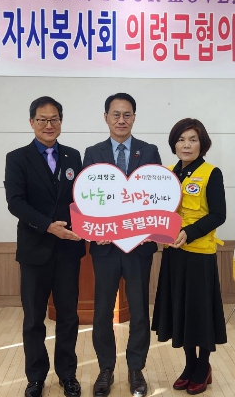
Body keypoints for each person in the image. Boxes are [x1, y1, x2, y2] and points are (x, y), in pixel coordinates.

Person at [4, 96, 86, 397]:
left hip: (68, 251)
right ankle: (36, 377)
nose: (48, 125)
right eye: (42, 119)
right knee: (33, 319)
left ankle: (67, 374)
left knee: (68, 317)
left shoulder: (73, 156)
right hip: (34, 250)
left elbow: (83, 198)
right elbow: (15, 202)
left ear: (61, 122)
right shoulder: (17, 158)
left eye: (54, 119)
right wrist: (48, 225)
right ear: (32, 122)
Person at [83, 93, 162, 397]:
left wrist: (149, 228)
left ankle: (136, 370)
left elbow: (156, 197)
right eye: (115, 114)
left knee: (139, 311)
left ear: (134, 118)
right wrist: (97, 229)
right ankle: (105, 369)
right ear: (106, 117)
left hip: (138, 247)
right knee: (103, 311)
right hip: (105, 248)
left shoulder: (149, 151)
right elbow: (86, 197)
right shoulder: (93, 153)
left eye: (127, 114)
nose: (121, 120)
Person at [151, 118, 228, 395]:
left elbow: (219, 214)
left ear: (202, 144)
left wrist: (189, 232)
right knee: (180, 310)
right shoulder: (167, 174)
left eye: (193, 139)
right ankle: (189, 364)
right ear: (174, 144)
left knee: (199, 312)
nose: (186, 145)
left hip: (199, 255)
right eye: (181, 139)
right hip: (173, 254)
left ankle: (203, 366)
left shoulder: (211, 173)